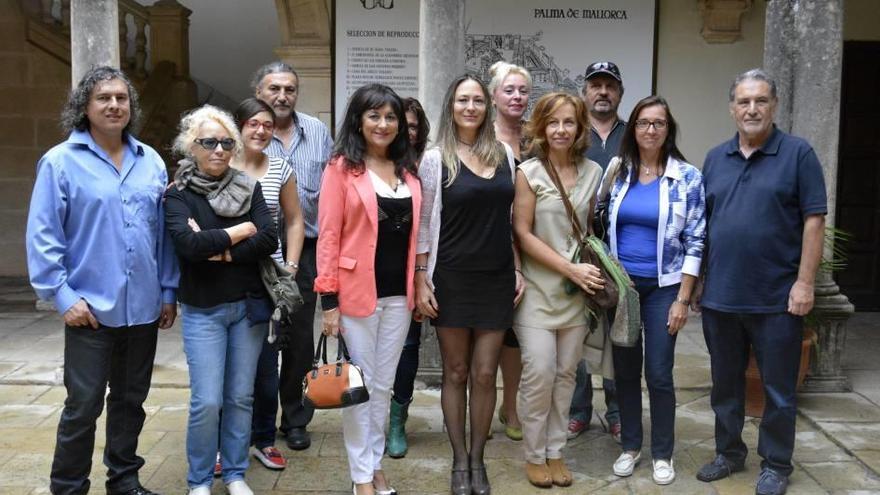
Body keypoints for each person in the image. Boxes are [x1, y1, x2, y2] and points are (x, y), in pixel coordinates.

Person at [26, 66, 178, 495]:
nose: (114, 105)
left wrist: (168, 290)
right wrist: (62, 296)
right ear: (85, 107)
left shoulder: (151, 161)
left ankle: (124, 481)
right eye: (103, 98)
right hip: (88, 310)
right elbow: (44, 235)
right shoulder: (60, 162)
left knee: (130, 403)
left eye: (121, 98)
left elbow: (163, 234)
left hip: (144, 308)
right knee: (83, 406)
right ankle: (69, 486)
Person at [694, 69, 826, 495]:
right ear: (732, 108)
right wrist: (698, 282)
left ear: (774, 106)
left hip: (777, 300)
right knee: (725, 386)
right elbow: (704, 225)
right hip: (721, 298)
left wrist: (805, 284)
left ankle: (776, 464)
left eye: (761, 101)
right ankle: (729, 453)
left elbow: (813, 221)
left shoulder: (798, 154)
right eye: (744, 101)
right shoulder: (715, 158)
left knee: (779, 390)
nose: (752, 109)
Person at [415, 74, 524, 495]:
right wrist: (422, 277)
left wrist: (516, 268)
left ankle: (479, 459)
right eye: (463, 100)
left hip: (495, 278)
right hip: (451, 278)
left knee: (484, 373)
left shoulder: (505, 155)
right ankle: (459, 461)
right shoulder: (434, 157)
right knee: (456, 371)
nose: (471, 107)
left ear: (488, 106)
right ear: (451, 106)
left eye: (478, 100)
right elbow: (424, 224)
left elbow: (511, 221)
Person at [164, 105, 278, 495]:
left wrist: (223, 247)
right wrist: (240, 230)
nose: (218, 150)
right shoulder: (178, 194)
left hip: (248, 307)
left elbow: (268, 239)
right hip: (203, 310)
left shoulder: (250, 186)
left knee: (240, 397)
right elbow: (188, 245)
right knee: (207, 402)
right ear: (190, 147)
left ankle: (234, 473)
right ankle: (198, 480)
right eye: (208, 142)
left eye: (226, 142)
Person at [315, 83, 422, 495]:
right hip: (355, 294)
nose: (383, 123)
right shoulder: (341, 169)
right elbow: (327, 236)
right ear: (358, 120)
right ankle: (362, 476)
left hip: (398, 295)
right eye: (374, 115)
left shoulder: (408, 172)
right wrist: (328, 300)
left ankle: (375, 466)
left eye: (391, 116)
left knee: (383, 385)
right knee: (358, 388)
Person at [603, 96, 706, 485]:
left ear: (668, 129)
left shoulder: (687, 177)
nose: (650, 130)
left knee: (659, 372)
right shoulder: (618, 171)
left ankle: (662, 453)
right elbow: (600, 219)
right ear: (633, 129)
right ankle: (631, 446)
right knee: (625, 372)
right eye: (643, 123)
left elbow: (697, 239)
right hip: (624, 289)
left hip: (665, 288)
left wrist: (683, 297)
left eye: (658, 123)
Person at [512, 92, 603, 488]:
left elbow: (592, 232)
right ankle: (533, 454)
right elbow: (522, 232)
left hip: (576, 294)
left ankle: (555, 450)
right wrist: (570, 268)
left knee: (567, 374)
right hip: (536, 290)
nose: (561, 130)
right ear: (541, 128)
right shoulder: (529, 172)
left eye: (569, 122)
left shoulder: (594, 172)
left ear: (580, 127)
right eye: (553, 123)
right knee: (540, 372)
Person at [253, 61, 334, 451]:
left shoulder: (317, 132)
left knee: (299, 336)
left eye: (289, 89)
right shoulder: (250, 134)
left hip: (308, 250)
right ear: (259, 93)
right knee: (262, 336)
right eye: (274, 89)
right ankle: (259, 420)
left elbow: (332, 190)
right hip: (259, 251)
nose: (282, 96)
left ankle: (297, 417)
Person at [230, 97, 305, 471]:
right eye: (252, 124)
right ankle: (224, 445)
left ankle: (262, 438)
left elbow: (294, 221)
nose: (260, 131)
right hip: (225, 279)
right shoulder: (220, 165)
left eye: (267, 125)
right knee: (227, 369)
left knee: (264, 369)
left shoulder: (280, 168)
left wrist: (290, 266)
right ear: (238, 127)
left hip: (267, 282)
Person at [569, 60, 625, 442]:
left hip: (622, 252)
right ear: (585, 91)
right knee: (577, 330)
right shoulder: (573, 133)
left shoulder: (633, 134)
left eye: (609, 86)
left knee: (618, 334)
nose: (602, 92)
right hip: (576, 249)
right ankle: (578, 411)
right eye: (595, 85)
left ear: (619, 92)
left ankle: (618, 410)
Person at [489, 60, 533, 442]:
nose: (516, 96)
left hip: (534, 245)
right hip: (494, 247)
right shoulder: (483, 139)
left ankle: (511, 405)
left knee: (517, 335)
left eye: (522, 91)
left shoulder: (535, 138)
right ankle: (481, 407)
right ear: (494, 95)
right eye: (509, 90)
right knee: (489, 331)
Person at [386, 96, 431, 459]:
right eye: (401, 123)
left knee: (407, 349)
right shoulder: (367, 166)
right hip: (369, 275)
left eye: (412, 125)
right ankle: (370, 418)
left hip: (410, 273)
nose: (405, 131)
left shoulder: (425, 169)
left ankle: (397, 419)